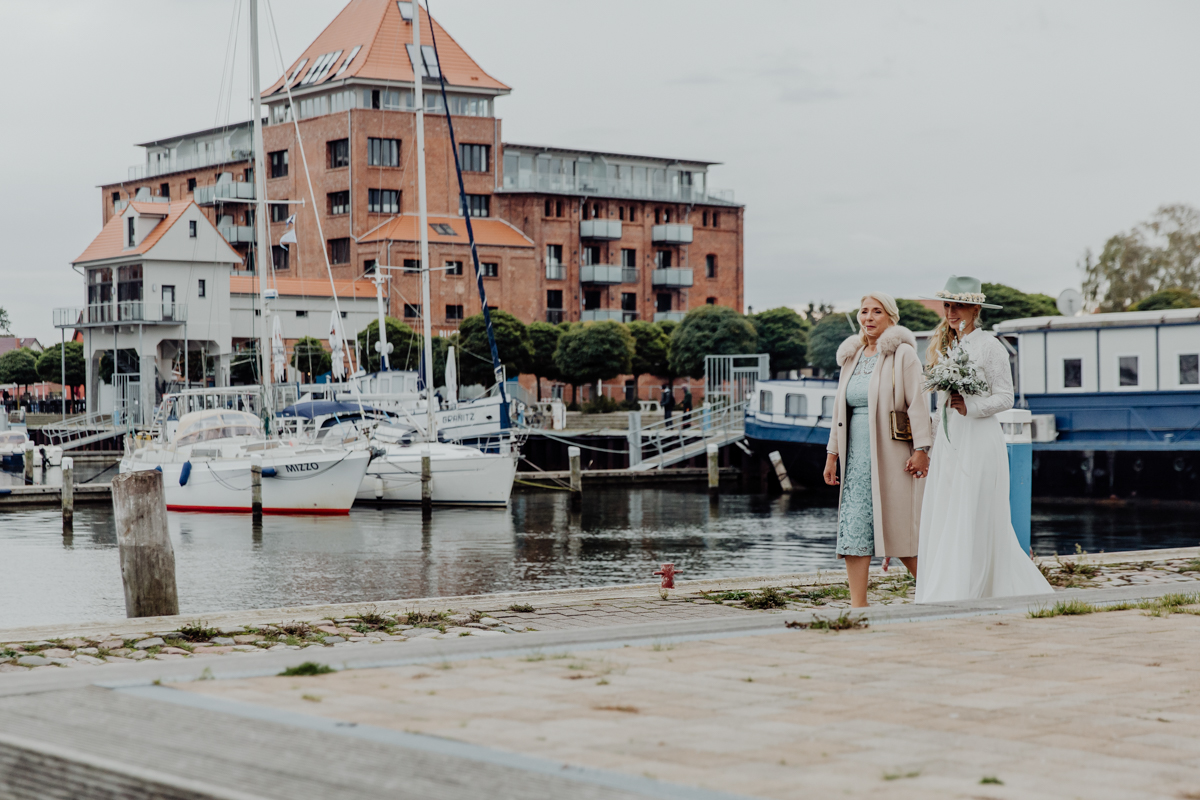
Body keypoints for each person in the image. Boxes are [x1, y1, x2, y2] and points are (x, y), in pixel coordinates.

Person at [914, 276, 1054, 603]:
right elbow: (940, 406)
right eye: (947, 305)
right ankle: (949, 586)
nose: (951, 312)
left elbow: (1007, 396)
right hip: (950, 441)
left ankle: (972, 588)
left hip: (978, 437)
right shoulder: (946, 347)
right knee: (949, 510)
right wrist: (928, 446)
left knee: (974, 510)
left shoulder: (990, 346)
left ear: (975, 308)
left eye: (958, 305)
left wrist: (972, 406)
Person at [823, 292, 932, 607]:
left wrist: (922, 448)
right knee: (854, 532)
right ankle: (858, 606)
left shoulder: (903, 355)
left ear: (891, 317)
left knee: (901, 533)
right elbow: (838, 412)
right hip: (855, 458)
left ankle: (936, 591)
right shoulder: (852, 356)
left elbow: (918, 405)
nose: (868, 318)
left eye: (876, 312)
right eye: (864, 312)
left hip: (892, 455)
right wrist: (832, 456)